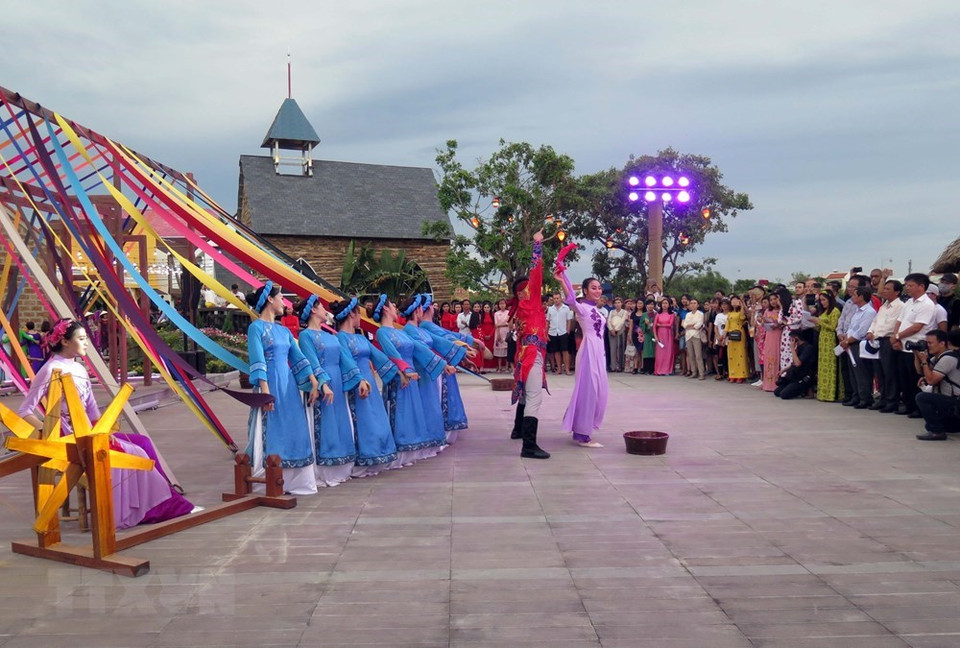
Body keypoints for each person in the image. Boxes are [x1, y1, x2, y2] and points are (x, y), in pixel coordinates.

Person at [19, 318, 194, 528]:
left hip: (91, 433)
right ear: (65, 341)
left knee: (143, 443)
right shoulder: (50, 369)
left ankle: (161, 503)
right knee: (136, 453)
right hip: (70, 437)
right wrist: (48, 432)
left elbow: (92, 408)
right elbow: (25, 410)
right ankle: (154, 507)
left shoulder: (79, 369)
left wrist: (104, 430)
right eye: (82, 339)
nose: (86, 343)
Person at [245, 283, 320, 495]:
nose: (284, 303)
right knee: (274, 427)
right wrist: (266, 393)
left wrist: (314, 382)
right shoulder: (256, 328)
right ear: (270, 299)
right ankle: (272, 478)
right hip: (270, 383)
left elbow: (298, 358)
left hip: (288, 384)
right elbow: (258, 361)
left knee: (294, 426)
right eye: (281, 298)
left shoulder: (284, 331)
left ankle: (296, 481)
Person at [330, 297, 401, 475]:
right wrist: (359, 379)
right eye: (358, 314)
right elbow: (346, 360)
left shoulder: (360, 338)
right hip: (357, 384)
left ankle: (378, 455)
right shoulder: (340, 338)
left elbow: (378, 356)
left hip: (369, 383)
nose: (361, 317)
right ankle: (362, 459)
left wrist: (400, 371)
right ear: (351, 314)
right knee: (362, 420)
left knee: (376, 418)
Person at [370, 295, 443, 464]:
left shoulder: (398, 331)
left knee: (412, 412)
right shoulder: (382, 332)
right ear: (386, 309)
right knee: (401, 412)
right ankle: (400, 451)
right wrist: (405, 371)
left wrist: (440, 362)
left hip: (411, 377)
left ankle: (412, 449)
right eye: (393, 305)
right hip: (400, 378)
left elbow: (418, 347)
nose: (396, 308)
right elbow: (391, 354)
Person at [297, 296, 360, 487]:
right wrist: (323, 384)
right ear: (313, 311)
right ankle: (325, 468)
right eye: (321, 306)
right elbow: (311, 361)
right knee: (325, 424)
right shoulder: (305, 335)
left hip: (338, 383)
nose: (326, 309)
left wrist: (359, 378)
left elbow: (344, 359)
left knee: (341, 421)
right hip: (324, 384)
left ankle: (343, 465)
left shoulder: (331, 335)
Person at [508, 230, 550, 459]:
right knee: (535, 396)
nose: (536, 289)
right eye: (531, 288)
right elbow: (537, 272)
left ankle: (517, 429)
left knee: (526, 393)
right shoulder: (531, 302)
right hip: (532, 353)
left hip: (526, 353)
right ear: (525, 290)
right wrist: (537, 245)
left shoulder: (522, 308)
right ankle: (529, 446)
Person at [555, 267, 608, 448]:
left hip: (599, 351)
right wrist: (562, 280)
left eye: (599, 287)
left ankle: (582, 428)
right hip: (588, 351)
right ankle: (582, 434)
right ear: (585, 290)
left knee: (600, 392)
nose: (598, 291)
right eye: (593, 287)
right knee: (588, 390)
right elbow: (570, 298)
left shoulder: (599, 310)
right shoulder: (582, 308)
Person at [409, 294, 471, 443]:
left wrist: (466, 344)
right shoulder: (423, 326)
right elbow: (444, 338)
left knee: (437, 398)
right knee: (434, 399)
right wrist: (467, 344)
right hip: (430, 367)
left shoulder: (423, 327)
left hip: (438, 364)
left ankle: (439, 430)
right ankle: (434, 432)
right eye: (431, 305)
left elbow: (445, 336)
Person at [891, 273, 936, 418]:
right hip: (902, 346)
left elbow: (917, 327)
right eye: (906, 285)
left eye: (911, 285)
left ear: (921, 286)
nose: (907, 288)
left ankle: (918, 408)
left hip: (916, 348)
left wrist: (897, 336)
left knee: (914, 379)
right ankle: (908, 405)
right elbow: (899, 321)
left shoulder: (927, 304)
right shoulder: (909, 302)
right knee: (903, 378)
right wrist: (896, 338)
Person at [913, 328, 960, 440]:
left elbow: (931, 380)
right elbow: (919, 371)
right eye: (926, 343)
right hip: (951, 403)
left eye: (930, 343)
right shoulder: (939, 358)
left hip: (956, 402)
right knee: (929, 424)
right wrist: (916, 354)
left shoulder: (948, 358)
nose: (928, 346)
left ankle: (937, 432)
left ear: (942, 343)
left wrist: (924, 361)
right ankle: (944, 427)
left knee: (922, 397)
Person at [866, 279, 904, 412]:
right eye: (885, 288)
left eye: (888, 289)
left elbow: (891, 325)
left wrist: (876, 333)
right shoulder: (883, 306)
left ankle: (891, 400)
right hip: (877, 340)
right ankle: (883, 397)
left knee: (889, 372)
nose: (884, 291)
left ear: (897, 292)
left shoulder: (900, 306)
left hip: (888, 339)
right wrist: (871, 331)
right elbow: (875, 321)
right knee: (880, 372)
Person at [842, 285, 877, 408]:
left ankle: (865, 398)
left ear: (861, 297)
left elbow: (862, 331)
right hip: (850, 343)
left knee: (862, 373)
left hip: (858, 344)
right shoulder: (857, 310)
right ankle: (856, 396)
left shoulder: (869, 312)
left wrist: (848, 341)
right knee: (853, 372)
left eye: (854, 295)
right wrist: (845, 338)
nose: (852, 297)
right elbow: (851, 327)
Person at [811, 291, 843, 402]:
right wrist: (814, 323)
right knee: (823, 366)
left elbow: (833, 327)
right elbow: (820, 327)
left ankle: (831, 393)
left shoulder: (835, 311)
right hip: (822, 340)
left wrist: (819, 321)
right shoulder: (824, 311)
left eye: (824, 300)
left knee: (830, 366)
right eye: (821, 300)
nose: (822, 302)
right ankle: (823, 392)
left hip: (831, 340)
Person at [774, 330, 817, 400]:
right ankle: (793, 387)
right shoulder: (798, 347)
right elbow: (793, 363)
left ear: (796, 338)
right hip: (795, 375)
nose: (790, 341)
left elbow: (798, 363)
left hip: (804, 377)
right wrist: (784, 370)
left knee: (784, 395)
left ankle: (805, 390)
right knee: (777, 392)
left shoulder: (808, 348)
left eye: (791, 339)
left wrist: (792, 349)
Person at [546, 292, 573, 375]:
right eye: (554, 298)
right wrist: (546, 333)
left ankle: (567, 369)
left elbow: (569, 320)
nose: (556, 300)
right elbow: (547, 321)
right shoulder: (550, 309)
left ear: (561, 298)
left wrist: (568, 330)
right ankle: (559, 369)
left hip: (563, 332)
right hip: (553, 332)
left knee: (565, 351)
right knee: (556, 351)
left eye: (557, 298)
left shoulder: (566, 308)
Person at [761, 294, 783, 392]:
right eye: (771, 300)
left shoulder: (782, 311)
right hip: (769, 336)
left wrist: (776, 323)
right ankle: (767, 384)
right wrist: (763, 321)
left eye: (775, 299)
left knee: (777, 357)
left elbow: (782, 322)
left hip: (778, 335)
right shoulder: (767, 311)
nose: (773, 301)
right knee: (768, 357)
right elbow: (763, 324)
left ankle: (776, 383)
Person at [726, 296, 749, 383]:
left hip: (739, 334)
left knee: (740, 354)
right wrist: (724, 336)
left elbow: (742, 317)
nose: (734, 302)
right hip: (731, 335)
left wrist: (742, 304)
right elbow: (727, 326)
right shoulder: (729, 313)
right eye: (733, 300)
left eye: (736, 300)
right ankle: (732, 374)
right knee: (731, 355)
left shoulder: (740, 312)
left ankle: (741, 375)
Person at [682, 298, 706, 380]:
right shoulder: (688, 314)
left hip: (696, 336)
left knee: (698, 356)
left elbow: (698, 324)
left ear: (698, 305)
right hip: (688, 336)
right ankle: (694, 372)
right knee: (691, 355)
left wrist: (690, 325)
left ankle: (701, 373)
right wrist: (690, 325)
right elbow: (684, 324)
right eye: (691, 303)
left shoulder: (700, 314)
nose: (692, 304)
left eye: (694, 303)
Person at [653, 298, 677, 376]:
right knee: (660, 354)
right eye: (663, 303)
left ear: (669, 305)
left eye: (666, 303)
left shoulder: (672, 314)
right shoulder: (658, 314)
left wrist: (660, 325)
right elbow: (654, 326)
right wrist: (655, 336)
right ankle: (659, 370)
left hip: (668, 335)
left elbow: (670, 324)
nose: (664, 305)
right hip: (660, 335)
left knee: (668, 353)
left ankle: (668, 370)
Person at [607, 298, 628, 372]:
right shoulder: (611, 312)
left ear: (622, 303)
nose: (617, 304)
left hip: (620, 332)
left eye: (619, 302)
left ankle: (620, 366)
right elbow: (608, 321)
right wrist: (611, 329)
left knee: (620, 349)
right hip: (611, 332)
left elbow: (622, 322)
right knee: (612, 349)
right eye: (616, 303)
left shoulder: (624, 312)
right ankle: (613, 366)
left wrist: (616, 329)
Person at [638, 299, 656, 375]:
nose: (650, 306)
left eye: (652, 304)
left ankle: (653, 369)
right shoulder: (644, 315)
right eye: (648, 304)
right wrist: (645, 325)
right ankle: (646, 369)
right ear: (646, 306)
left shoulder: (656, 314)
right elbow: (641, 324)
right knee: (647, 352)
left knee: (654, 352)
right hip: (648, 335)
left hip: (654, 335)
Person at [493, 299, 511, 373]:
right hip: (499, 331)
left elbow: (509, 323)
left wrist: (502, 324)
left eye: (503, 303)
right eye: (500, 304)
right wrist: (499, 333)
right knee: (499, 350)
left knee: (507, 350)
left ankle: (507, 367)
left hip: (506, 331)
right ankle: (500, 367)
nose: (502, 305)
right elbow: (496, 324)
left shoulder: (509, 313)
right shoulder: (496, 313)